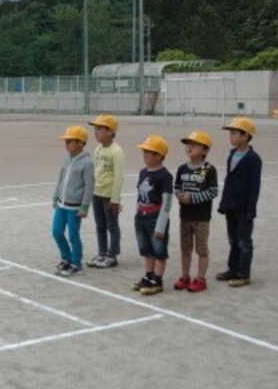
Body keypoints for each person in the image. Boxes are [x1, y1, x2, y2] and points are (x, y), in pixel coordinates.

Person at [216, 117, 262, 287]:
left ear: (245, 136)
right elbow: (229, 181)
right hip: (230, 204)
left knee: (244, 241)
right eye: (231, 133)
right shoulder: (232, 154)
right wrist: (223, 203)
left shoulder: (253, 159)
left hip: (243, 207)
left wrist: (251, 210)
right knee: (233, 239)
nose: (231, 136)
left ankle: (243, 273)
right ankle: (232, 269)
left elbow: (254, 187)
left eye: (235, 133)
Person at [173, 131, 219, 293]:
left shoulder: (209, 170)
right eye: (188, 144)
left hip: (201, 217)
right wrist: (179, 196)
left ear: (205, 150)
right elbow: (177, 187)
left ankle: (200, 278)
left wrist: (192, 198)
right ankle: (185, 276)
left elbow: (213, 192)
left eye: (195, 144)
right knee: (185, 248)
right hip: (185, 216)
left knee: (201, 249)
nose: (190, 147)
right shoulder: (182, 168)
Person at [131, 135, 173, 295]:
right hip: (141, 215)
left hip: (155, 217)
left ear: (159, 156)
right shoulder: (143, 172)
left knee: (159, 250)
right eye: (144, 152)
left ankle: (157, 279)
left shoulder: (165, 175)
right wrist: (137, 213)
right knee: (146, 249)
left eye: (149, 152)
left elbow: (167, 202)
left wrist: (161, 224)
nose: (145, 155)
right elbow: (139, 194)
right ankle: (148, 275)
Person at [52, 126, 95, 277]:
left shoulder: (87, 163)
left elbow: (89, 186)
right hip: (61, 205)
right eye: (66, 141)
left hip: (75, 208)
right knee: (57, 232)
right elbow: (61, 179)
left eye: (69, 141)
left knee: (73, 236)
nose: (66, 144)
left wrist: (84, 206)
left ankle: (76, 263)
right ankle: (66, 258)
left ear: (81, 143)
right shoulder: (66, 160)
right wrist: (56, 196)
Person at [86, 114, 125, 269]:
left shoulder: (117, 151)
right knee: (100, 225)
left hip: (109, 195)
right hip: (97, 193)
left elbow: (118, 176)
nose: (96, 132)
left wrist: (115, 199)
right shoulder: (97, 150)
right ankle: (102, 252)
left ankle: (112, 255)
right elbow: (96, 172)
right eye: (95, 129)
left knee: (112, 226)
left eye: (99, 129)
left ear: (110, 131)